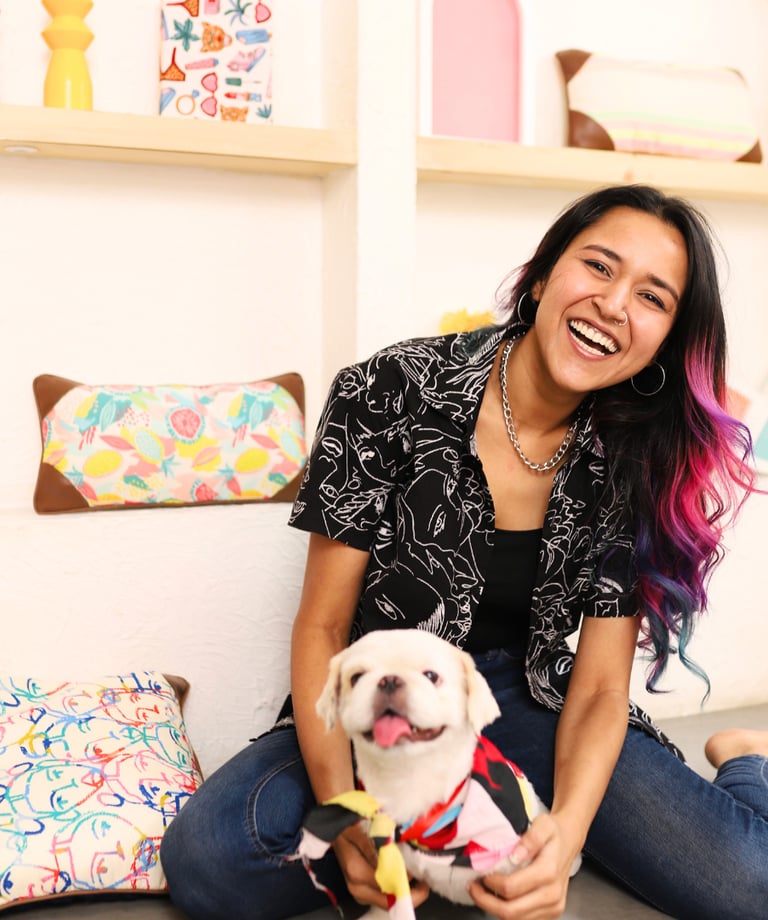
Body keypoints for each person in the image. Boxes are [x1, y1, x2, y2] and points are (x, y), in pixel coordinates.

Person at [160, 184, 768, 920]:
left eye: (653, 297)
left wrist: (563, 834)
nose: (614, 304)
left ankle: (745, 757)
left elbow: (603, 685)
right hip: (386, 698)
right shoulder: (388, 390)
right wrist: (346, 811)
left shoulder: (639, 453)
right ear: (543, 276)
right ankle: (434, 821)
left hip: (533, 702)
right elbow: (323, 627)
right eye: (599, 267)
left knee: (749, 884)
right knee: (211, 861)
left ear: (666, 337)